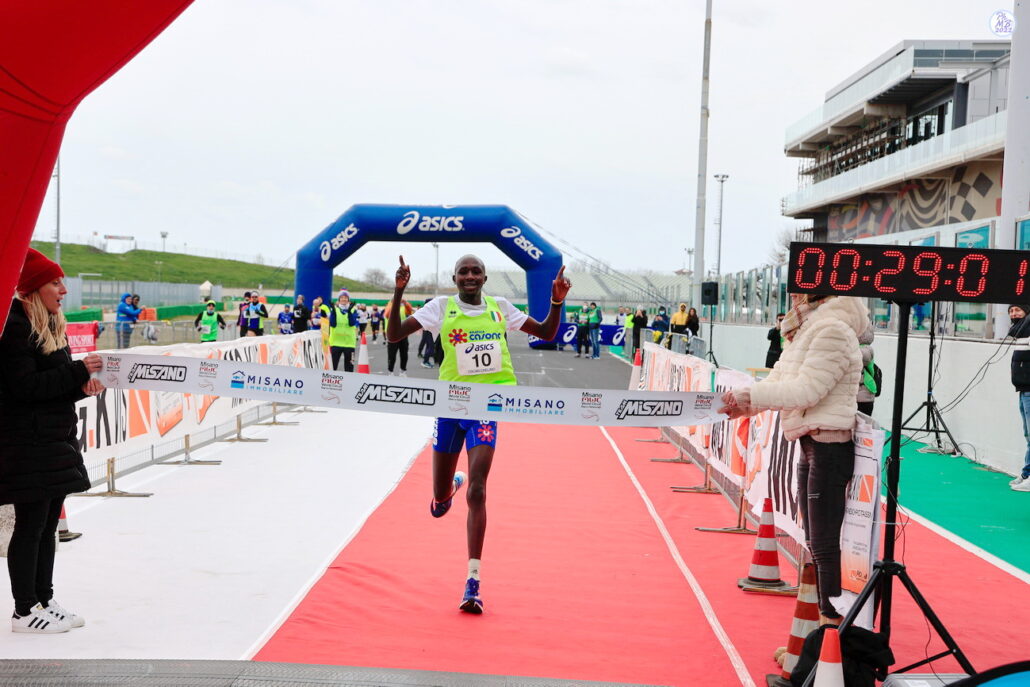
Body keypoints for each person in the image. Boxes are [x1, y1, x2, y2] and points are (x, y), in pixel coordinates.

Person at [387, 254, 570, 614]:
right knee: (440, 503)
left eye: (476, 271)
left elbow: (547, 333)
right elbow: (394, 334)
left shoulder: (500, 307)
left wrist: (557, 300)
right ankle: (446, 491)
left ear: (485, 278)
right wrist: (398, 293)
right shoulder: (441, 308)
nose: (470, 276)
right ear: (455, 278)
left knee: (480, 488)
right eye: (463, 272)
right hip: (449, 407)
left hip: (487, 408)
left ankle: (473, 582)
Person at [720, 293, 867, 625]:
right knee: (816, 542)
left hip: (829, 447)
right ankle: (821, 631)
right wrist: (744, 404)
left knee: (825, 546)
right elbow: (780, 380)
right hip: (812, 443)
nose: (791, 297)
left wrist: (749, 396)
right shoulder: (808, 330)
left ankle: (830, 634)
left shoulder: (831, 330)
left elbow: (806, 390)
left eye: (798, 291)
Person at [0, 248, 100, 633]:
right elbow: (24, 388)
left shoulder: (50, 324)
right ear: (34, 287)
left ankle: (43, 597)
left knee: (45, 527)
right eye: (56, 282)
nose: (64, 289)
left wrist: (82, 386)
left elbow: (52, 388)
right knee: (30, 526)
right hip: (28, 445)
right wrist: (77, 371)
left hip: (54, 442)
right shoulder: (14, 326)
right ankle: (24, 611)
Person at [1008, 304, 1030, 491]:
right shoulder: (1020, 329)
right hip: (1023, 389)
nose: (1014, 314)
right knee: (1028, 434)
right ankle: (1027, 472)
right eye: (1011, 311)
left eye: (1018, 310)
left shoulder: (1027, 326)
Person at [328, 289, 359, 372]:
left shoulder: (353, 310)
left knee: (349, 368)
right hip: (335, 343)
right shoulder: (335, 310)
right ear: (339, 299)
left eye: (346, 297)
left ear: (348, 299)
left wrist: (349, 312)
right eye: (342, 297)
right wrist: (333, 312)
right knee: (332, 367)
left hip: (349, 344)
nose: (344, 299)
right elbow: (332, 324)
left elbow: (352, 323)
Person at [384, 298, 413, 376]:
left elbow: (410, 310)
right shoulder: (389, 306)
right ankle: (390, 371)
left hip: (403, 334)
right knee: (392, 355)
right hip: (392, 335)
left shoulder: (403, 307)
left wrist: (406, 302)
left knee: (404, 353)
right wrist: (393, 305)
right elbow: (386, 315)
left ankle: (403, 371)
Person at [857, 321, 877, 416]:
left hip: (864, 392)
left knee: (863, 425)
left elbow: (864, 357)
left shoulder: (866, 349)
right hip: (860, 392)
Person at [418, 298, 436, 368]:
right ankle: (425, 361)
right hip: (428, 330)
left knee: (429, 346)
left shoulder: (429, 311)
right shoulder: (427, 311)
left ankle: (426, 361)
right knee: (431, 347)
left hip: (429, 330)